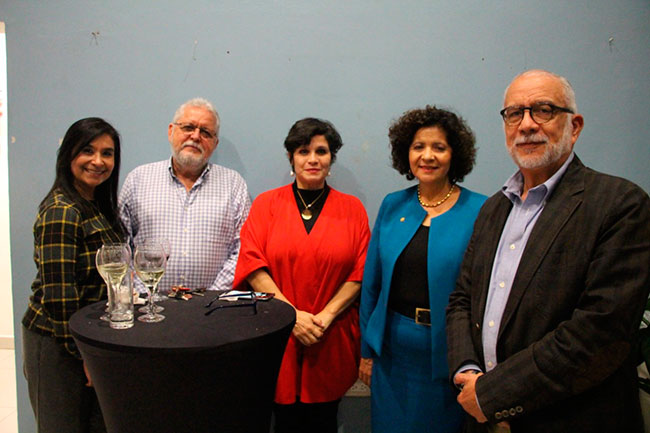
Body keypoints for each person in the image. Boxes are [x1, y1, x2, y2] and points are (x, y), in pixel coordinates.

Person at [446, 69, 650, 432]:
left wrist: (492, 394)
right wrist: (467, 370)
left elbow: (599, 333)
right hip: (483, 419)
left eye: (543, 110)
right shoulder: (493, 209)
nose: (526, 125)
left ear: (575, 126)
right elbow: (463, 298)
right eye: (514, 113)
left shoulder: (621, 205)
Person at [232, 118, 370, 433]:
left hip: (328, 336)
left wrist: (324, 317)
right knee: (281, 422)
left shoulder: (352, 209)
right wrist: (291, 316)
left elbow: (361, 271)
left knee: (325, 421)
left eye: (321, 151)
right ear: (291, 157)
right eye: (303, 151)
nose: (312, 159)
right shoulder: (266, 204)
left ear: (331, 158)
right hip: (277, 337)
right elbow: (252, 264)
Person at [359, 106, 487, 433]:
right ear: (407, 153)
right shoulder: (393, 205)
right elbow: (372, 284)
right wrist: (367, 351)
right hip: (392, 356)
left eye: (438, 147)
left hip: (451, 354)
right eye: (419, 147)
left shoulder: (481, 209)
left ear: (454, 155)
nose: (427, 156)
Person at [22, 118, 124, 432]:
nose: (98, 161)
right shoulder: (62, 210)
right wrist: (84, 356)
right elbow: (60, 297)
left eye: (107, 153)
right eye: (87, 151)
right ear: (69, 154)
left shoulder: (96, 205)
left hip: (87, 339)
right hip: (58, 343)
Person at [119, 98, 250, 293]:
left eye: (205, 132)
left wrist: (211, 297)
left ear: (215, 143)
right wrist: (144, 294)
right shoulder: (138, 179)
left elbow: (243, 248)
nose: (195, 136)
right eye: (188, 127)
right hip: (146, 303)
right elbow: (121, 244)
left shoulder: (233, 184)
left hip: (213, 306)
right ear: (171, 131)